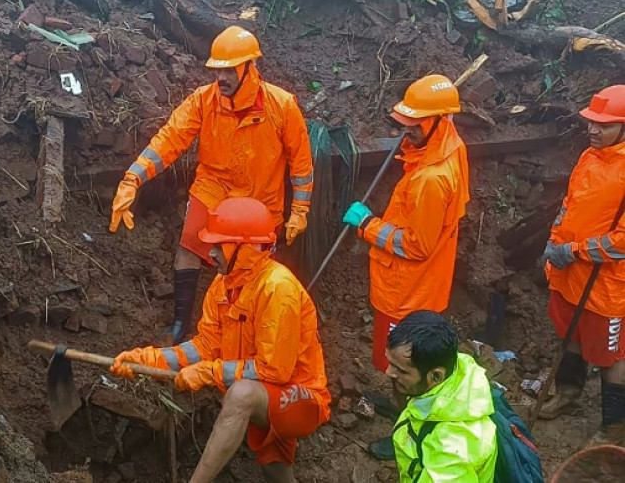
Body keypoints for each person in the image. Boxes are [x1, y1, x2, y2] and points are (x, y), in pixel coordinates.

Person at [107, 26, 314, 344]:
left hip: (260, 201)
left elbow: (301, 163)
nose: (222, 78)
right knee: (190, 246)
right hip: (213, 188)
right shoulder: (204, 102)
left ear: (249, 68)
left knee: (253, 270)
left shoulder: (282, 106)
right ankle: (180, 326)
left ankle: (248, 331)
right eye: (217, 70)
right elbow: (169, 139)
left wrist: (300, 210)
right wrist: (133, 177)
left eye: (229, 70)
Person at [109, 197, 330, 483]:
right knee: (276, 472)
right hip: (269, 396)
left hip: (301, 399)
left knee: (241, 395)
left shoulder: (277, 288)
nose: (211, 253)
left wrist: (209, 372)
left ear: (244, 247)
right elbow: (205, 345)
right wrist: (148, 359)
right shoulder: (224, 286)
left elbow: (274, 371)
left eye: (219, 244)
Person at [342, 74, 470, 375]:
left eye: (417, 122)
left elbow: (416, 244)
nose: (407, 128)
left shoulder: (431, 180)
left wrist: (367, 225)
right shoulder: (451, 147)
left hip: (406, 291)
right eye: (407, 120)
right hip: (426, 286)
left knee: (397, 363)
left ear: (441, 120)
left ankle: (399, 408)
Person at [540, 85, 625, 446]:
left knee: (611, 356)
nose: (594, 130)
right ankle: (569, 391)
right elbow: (569, 205)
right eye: (591, 122)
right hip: (569, 275)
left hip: (606, 284)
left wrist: (573, 251)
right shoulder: (590, 157)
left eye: (605, 125)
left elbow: (621, 241)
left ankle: (614, 427)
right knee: (569, 333)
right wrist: (554, 238)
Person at [386, 311, 497, 482]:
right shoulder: (458, 369)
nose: (389, 373)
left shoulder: (451, 452)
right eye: (390, 363)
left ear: (436, 376)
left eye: (401, 370)